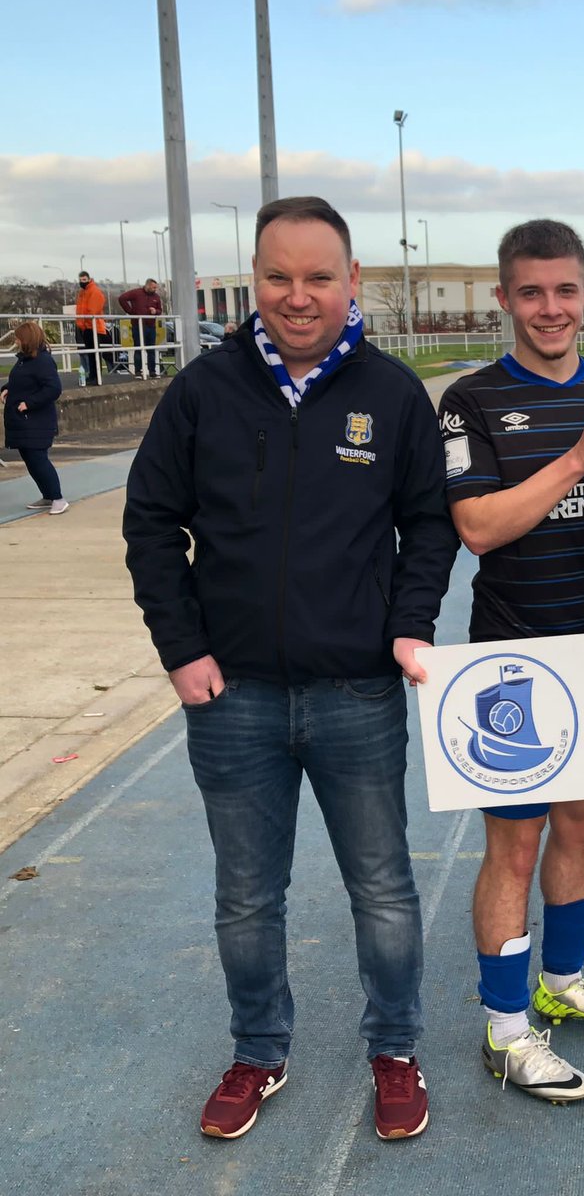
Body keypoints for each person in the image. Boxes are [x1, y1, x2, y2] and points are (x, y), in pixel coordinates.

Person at [123, 196, 458, 1142]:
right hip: (234, 700)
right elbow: (151, 523)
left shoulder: (391, 395)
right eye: (279, 276)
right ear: (253, 281)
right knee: (245, 896)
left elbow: (428, 523)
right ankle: (258, 1052)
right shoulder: (202, 391)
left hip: (356, 691)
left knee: (384, 889)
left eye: (320, 276)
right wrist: (182, 649)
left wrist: (409, 623)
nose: (299, 296)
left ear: (353, 282)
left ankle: (395, 1050)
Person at [439, 219, 584, 1103]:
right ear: (505, 299)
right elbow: (478, 527)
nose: (551, 309)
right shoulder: (468, 400)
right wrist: (579, 455)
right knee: (514, 845)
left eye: (566, 290)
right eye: (532, 292)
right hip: (512, 664)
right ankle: (507, 1032)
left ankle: (562, 983)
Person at [2, 321, 68, 514]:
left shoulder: (43, 361)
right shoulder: (24, 361)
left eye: (19, 338)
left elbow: (53, 388)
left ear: (27, 340)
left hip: (36, 421)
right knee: (31, 460)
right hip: (22, 421)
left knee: (38, 460)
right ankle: (48, 496)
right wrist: (6, 389)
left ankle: (57, 498)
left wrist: (29, 403)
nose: (16, 341)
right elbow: (20, 381)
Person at [118, 278, 163, 377]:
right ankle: (138, 371)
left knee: (151, 349)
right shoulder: (136, 293)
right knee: (138, 348)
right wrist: (130, 311)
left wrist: (155, 311)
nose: (155, 289)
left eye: (156, 287)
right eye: (153, 287)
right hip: (138, 325)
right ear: (147, 285)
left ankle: (152, 371)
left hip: (151, 326)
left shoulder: (156, 297)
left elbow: (160, 310)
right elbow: (122, 298)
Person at [74, 270, 107, 385]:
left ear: (89, 279)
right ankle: (93, 375)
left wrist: (86, 323)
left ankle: (96, 377)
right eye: (80, 280)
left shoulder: (94, 291)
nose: (82, 282)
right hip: (87, 327)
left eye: (84, 280)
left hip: (94, 327)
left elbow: (92, 310)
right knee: (91, 354)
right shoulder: (83, 292)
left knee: (95, 353)